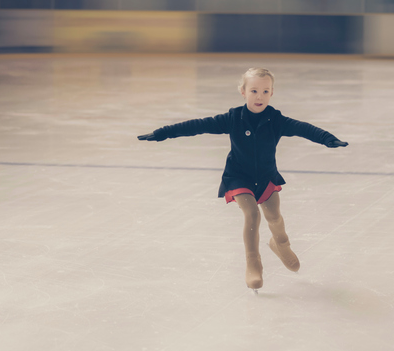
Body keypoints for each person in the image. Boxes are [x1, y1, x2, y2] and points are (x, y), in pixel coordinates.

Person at [138, 68, 348, 292]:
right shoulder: (232, 119)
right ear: (243, 92)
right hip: (238, 177)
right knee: (251, 213)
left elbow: (303, 128)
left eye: (265, 91)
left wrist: (328, 139)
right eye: (254, 90)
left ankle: (280, 244)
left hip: (265, 177)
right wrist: (163, 132)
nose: (259, 96)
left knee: (274, 216)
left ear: (272, 93)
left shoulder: (276, 120)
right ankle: (253, 263)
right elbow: (198, 125)